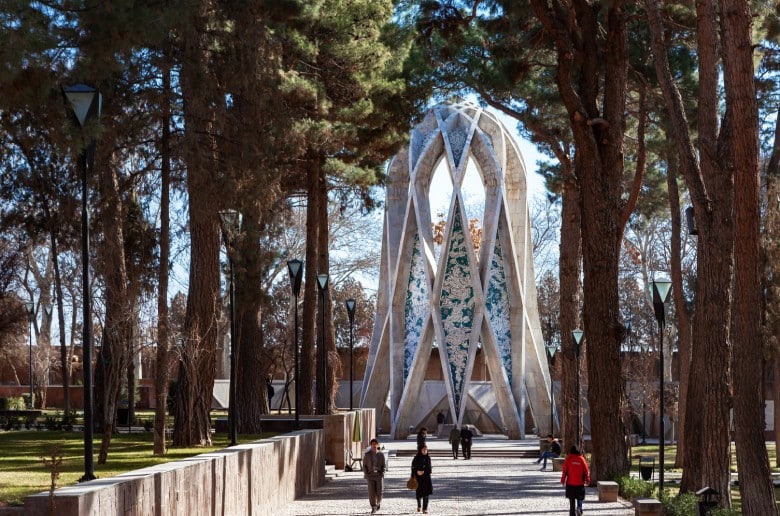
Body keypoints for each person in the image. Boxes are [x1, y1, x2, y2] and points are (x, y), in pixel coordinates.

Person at [561, 445, 590, 516]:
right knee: (580, 497)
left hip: (570, 483)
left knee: (572, 499)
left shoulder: (568, 459)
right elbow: (586, 470)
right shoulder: (581, 459)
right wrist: (587, 479)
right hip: (580, 483)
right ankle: (579, 508)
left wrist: (563, 480)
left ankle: (572, 513)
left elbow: (564, 471)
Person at [363, 438, 387, 514]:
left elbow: (384, 465)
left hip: (379, 476)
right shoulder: (367, 455)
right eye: (372, 444)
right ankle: (373, 506)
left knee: (380, 492)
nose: (374, 445)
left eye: (375, 444)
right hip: (370, 476)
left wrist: (383, 472)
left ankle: (378, 503)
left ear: (378, 445)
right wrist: (366, 474)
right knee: (371, 492)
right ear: (371, 445)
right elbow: (364, 466)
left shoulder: (381, 454)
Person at [411, 444, 433, 513]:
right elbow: (413, 468)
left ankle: (425, 508)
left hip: (426, 478)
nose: (425, 451)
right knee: (419, 493)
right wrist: (417, 472)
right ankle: (419, 505)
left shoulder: (428, 458)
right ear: (420, 450)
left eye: (426, 450)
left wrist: (423, 471)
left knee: (426, 494)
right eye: (423, 450)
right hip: (418, 479)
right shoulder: (416, 458)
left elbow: (430, 469)